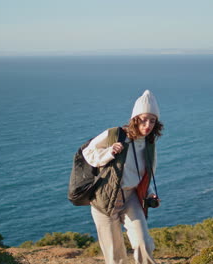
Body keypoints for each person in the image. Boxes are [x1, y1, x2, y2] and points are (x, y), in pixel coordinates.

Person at [82, 90, 164, 264]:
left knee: (144, 244)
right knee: (115, 255)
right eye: (143, 119)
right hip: (104, 199)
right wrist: (109, 152)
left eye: (152, 120)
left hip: (131, 197)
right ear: (135, 118)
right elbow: (87, 152)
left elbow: (145, 175)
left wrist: (149, 193)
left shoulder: (150, 144)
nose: (147, 124)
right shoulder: (114, 134)